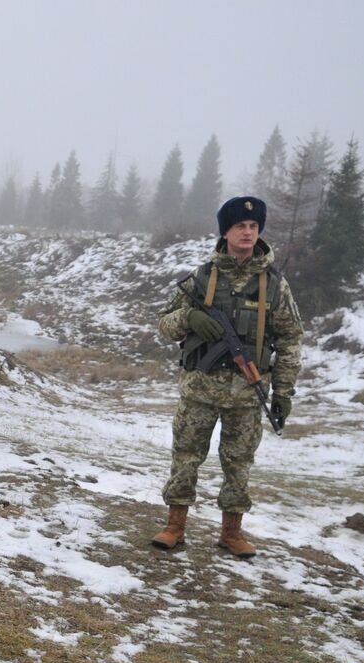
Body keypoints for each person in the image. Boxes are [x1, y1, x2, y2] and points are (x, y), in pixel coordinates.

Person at [151, 196, 303, 557]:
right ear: (226, 232)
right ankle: (175, 526)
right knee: (186, 457)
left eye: (253, 227)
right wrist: (188, 319)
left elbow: (290, 339)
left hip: (247, 394)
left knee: (238, 463)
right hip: (199, 389)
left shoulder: (274, 285)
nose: (248, 232)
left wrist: (283, 391)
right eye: (240, 226)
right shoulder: (202, 279)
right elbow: (164, 324)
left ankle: (232, 532)